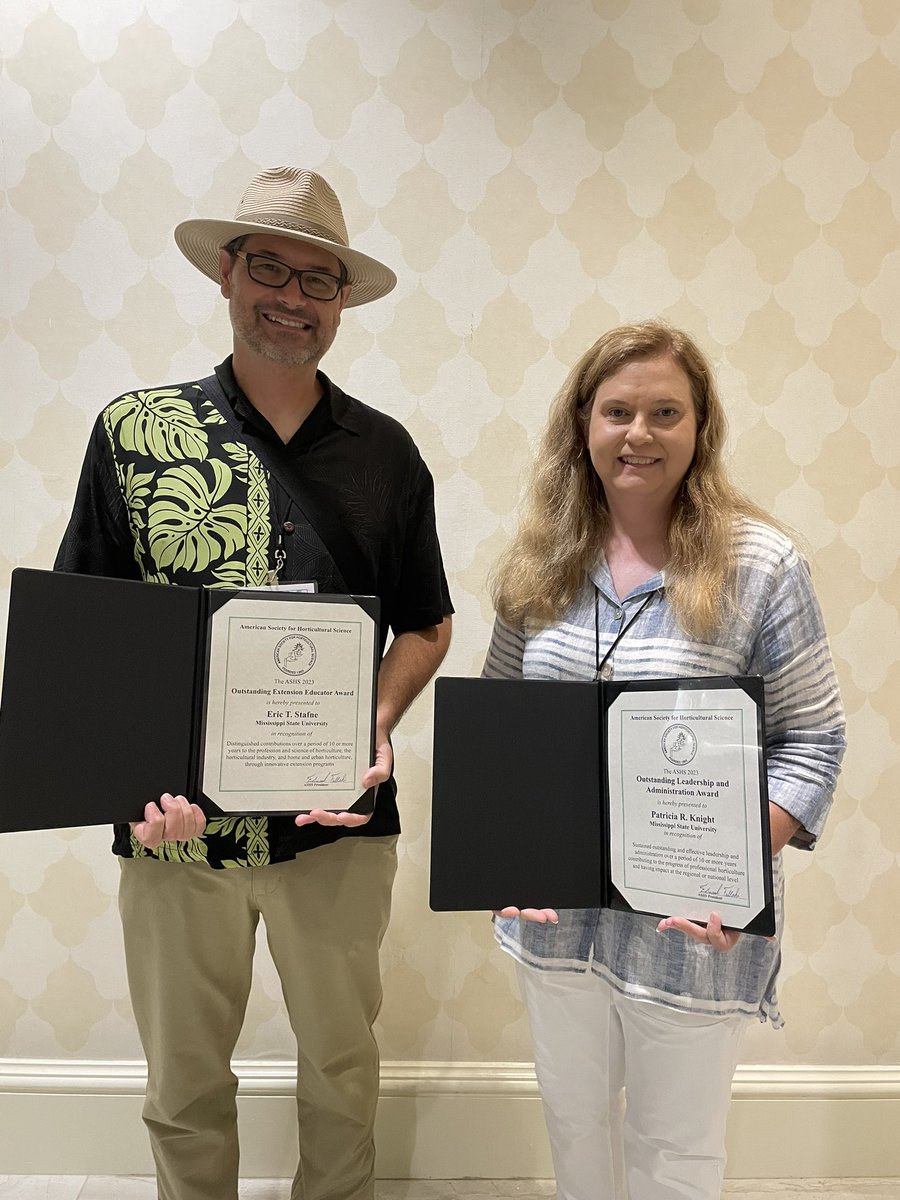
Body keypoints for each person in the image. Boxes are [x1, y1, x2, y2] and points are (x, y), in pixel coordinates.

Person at [54, 166, 453, 1200]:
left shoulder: (388, 454)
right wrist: (127, 791)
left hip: (339, 821)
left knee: (340, 1072)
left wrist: (375, 714)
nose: (292, 295)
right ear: (226, 274)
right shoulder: (137, 432)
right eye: (269, 267)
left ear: (341, 302)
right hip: (177, 834)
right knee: (183, 1084)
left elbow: (429, 620)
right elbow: (86, 637)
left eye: (317, 279)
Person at [482, 321, 844, 1200]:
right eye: (616, 411)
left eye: (664, 412)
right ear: (582, 424)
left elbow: (814, 742)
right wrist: (501, 850)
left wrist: (728, 869)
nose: (638, 433)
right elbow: (501, 726)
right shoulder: (541, 557)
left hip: (691, 930)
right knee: (574, 1125)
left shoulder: (763, 566)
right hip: (555, 919)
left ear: (700, 428)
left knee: (675, 1152)